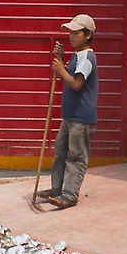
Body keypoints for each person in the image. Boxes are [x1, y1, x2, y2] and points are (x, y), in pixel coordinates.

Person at [38, 14, 99, 209]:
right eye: (70, 32)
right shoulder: (77, 56)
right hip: (70, 116)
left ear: (87, 35)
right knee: (60, 153)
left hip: (81, 118)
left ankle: (70, 195)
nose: (71, 36)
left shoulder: (88, 57)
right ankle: (57, 189)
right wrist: (61, 58)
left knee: (76, 157)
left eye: (75, 33)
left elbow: (76, 83)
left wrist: (60, 70)